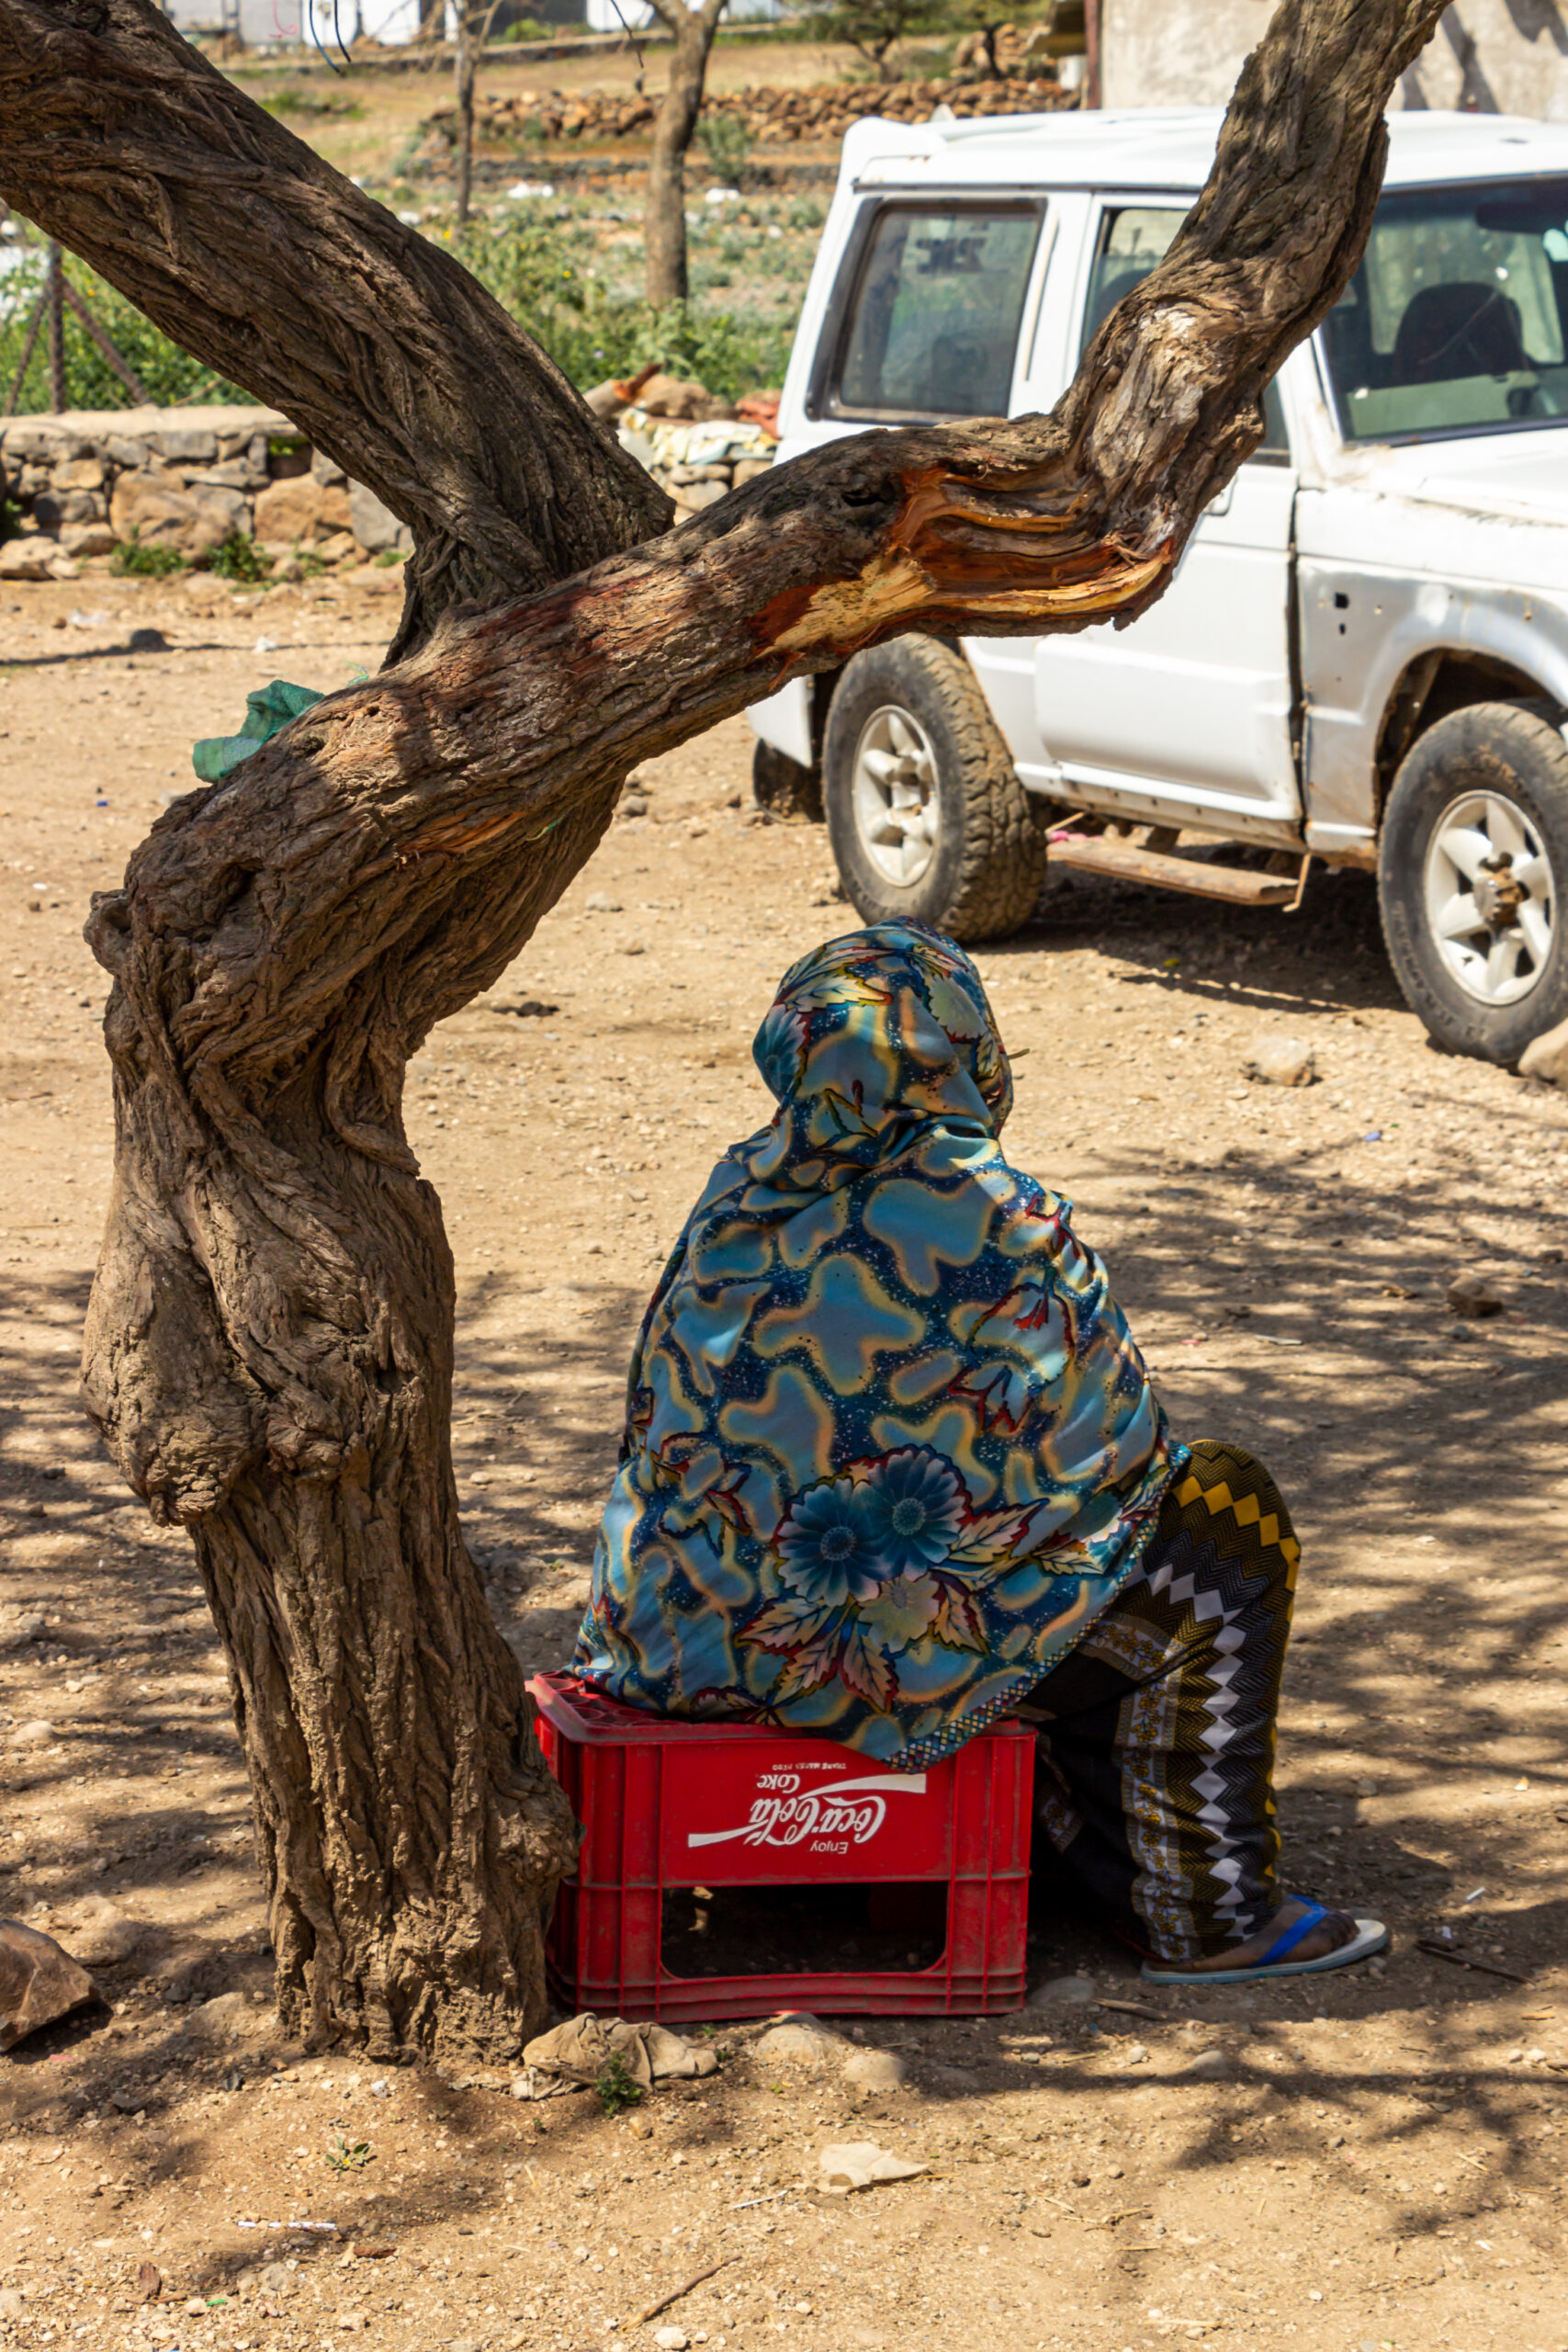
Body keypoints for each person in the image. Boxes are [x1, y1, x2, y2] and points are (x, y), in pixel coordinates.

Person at [572, 922, 1384, 1985]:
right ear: (969, 1051)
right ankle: (1204, 1908)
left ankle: (1043, 1829)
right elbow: (1125, 1464)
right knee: (1218, 1527)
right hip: (869, 1654)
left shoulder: (733, 1201)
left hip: (680, 1649)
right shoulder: (1000, 1219)